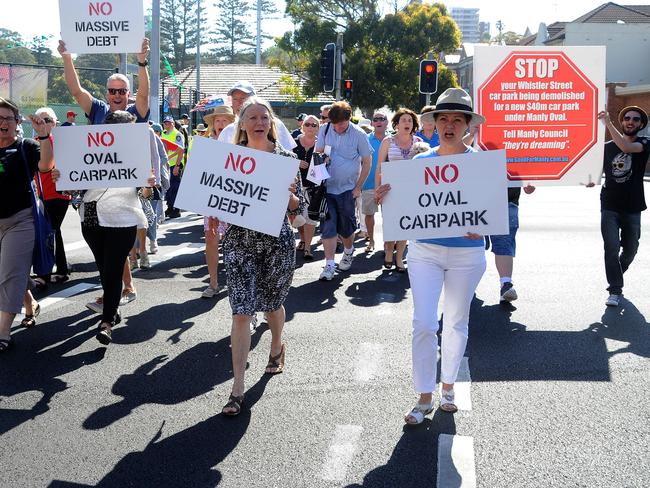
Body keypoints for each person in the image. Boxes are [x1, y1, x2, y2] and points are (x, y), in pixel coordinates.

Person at [375, 88, 487, 422]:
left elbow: (489, 211)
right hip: (425, 252)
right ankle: (424, 395)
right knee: (424, 322)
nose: (449, 125)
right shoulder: (419, 163)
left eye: (456, 119)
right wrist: (387, 197)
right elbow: (405, 206)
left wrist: (481, 224)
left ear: (467, 125)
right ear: (434, 124)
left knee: (456, 321)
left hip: (467, 255)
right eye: (443, 119)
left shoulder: (480, 163)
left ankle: (448, 385)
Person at [214, 97, 304, 416]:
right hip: (239, 243)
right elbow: (214, 197)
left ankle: (277, 344)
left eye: (264, 117)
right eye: (251, 117)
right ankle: (237, 388)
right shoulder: (229, 160)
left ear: (271, 122)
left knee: (271, 305)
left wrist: (290, 194)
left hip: (275, 243)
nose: (258, 122)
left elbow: (300, 208)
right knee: (241, 311)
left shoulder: (284, 158)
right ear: (241, 124)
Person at [68, 111, 156, 345]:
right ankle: (113, 307)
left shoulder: (137, 154)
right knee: (103, 267)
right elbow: (74, 184)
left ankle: (106, 322)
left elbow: (145, 193)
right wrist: (63, 176)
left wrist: (148, 184)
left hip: (123, 218)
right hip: (92, 216)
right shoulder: (88, 149)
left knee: (113, 269)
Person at [0, 98, 54, 352]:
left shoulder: (27, 147)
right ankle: (29, 302)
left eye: (7, 118)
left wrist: (44, 136)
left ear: (16, 122)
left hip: (20, 221)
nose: (2, 123)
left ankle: (3, 332)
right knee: (12, 272)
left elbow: (45, 166)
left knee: (10, 273)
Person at [594, 106, 650, 307]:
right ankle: (615, 290)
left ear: (641, 125)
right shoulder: (607, 147)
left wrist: (607, 122)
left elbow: (627, 148)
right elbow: (593, 169)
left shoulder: (645, 142)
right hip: (609, 204)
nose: (630, 121)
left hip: (633, 206)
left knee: (631, 249)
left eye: (635, 119)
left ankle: (618, 270)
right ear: (622, 121)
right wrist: (589, 178)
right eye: (627, 118)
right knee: (611, 247)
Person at [315, 101, 373, 280]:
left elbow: (367, 162)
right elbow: (317, 154)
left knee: (346, 229)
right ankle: (329, 265)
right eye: (334, 124)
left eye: (341, 124)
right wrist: (319, 180)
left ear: (349, 119)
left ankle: (348, 250)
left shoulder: (359, 134)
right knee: (328, 228)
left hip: (348, 190)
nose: (338, 127)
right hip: (327, 190)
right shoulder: (324, 130)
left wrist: (358, 188)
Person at [57, 38, 150, 124]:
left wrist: (142, 61)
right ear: (107, 94)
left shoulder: (135, 112)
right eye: (112, 91)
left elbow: (143, 96)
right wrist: (67, 58)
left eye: (122, 91)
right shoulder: (99, 110)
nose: (117, 95)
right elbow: (77, 92)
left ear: (128, 94)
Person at [375, 108, 422, 272]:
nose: (407, 123)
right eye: (404, 120)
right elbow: (379, 166)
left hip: (410, 190)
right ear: (397, 124)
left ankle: (400, 258)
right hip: (389, 189)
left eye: (410, 120)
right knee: (390, 223)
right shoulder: (388, 141)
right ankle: (388, 252)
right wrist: (377, 190)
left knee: (406, 224)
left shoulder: (418, 142)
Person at [32, 107, 72, 286]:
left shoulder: (63, 143)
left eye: (48, 120)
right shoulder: (32, 143)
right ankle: (60, 269)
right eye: (41, 120)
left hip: (58, 195)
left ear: (55, 122)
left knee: (51, 230)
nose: (45, 123)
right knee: (52, 231)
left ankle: (47, 273)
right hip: (39, 196)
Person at [218, 81, 297, 150]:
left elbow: (288, 159)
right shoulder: (227, 131)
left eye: (243, 99)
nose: (239, 103)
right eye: (235, 99)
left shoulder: (277, 125)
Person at [293, 114, 320, 259]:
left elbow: (325, 169)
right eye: (307, 124)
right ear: (302, 126)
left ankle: (308, 248)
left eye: (314, 125)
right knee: (297, 218)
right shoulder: (293, 143)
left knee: (310, 219)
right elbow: (282, 159)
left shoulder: (321, 145)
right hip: (295, 187)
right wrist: (296, 163)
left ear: (318, 128)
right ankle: (302, 239)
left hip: (313, 188)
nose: (310, 127)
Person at [161, 115, 185, 219]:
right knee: (168, 187)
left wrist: (177, 166)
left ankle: (177, 209)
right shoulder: (163, 134)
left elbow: (181, 150)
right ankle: (170, 207)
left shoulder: (177, 134)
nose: (166, 125)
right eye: (165, 123)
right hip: (166, 165)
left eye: (169, 123)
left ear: (173, 124)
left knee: (175, 187)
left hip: (175, 164)